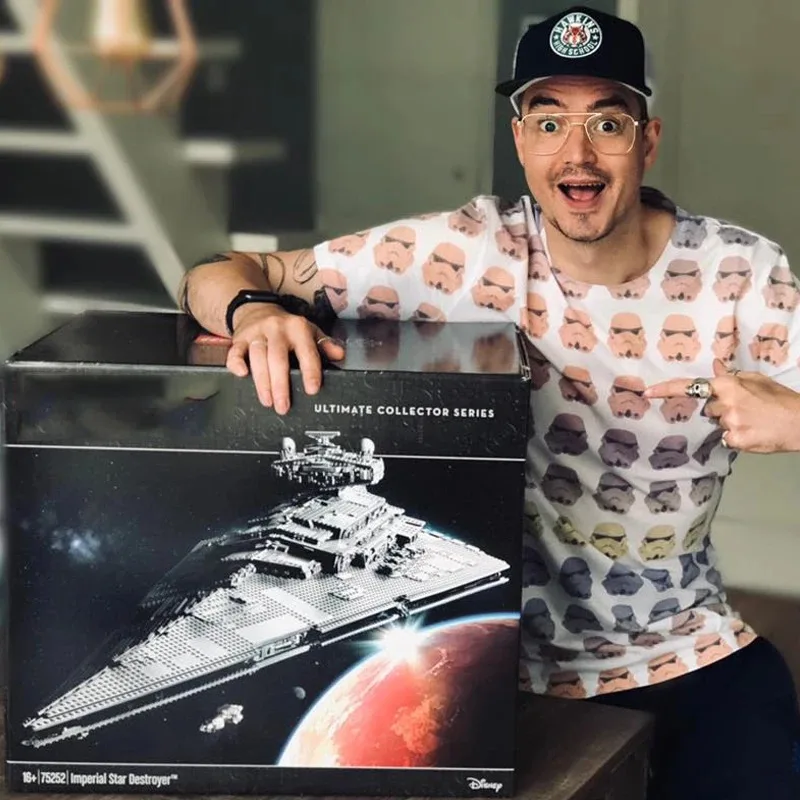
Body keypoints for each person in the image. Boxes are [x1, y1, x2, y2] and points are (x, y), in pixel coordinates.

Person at [179, 6, 800, 798]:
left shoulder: (740, 272)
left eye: (608, 122)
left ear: (647, 141)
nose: (577, 153)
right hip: (491, 661)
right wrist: (254, 312)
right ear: (519, 140)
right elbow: (220, 272)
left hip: (680, 646)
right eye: (549, 121)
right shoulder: (462, 251)